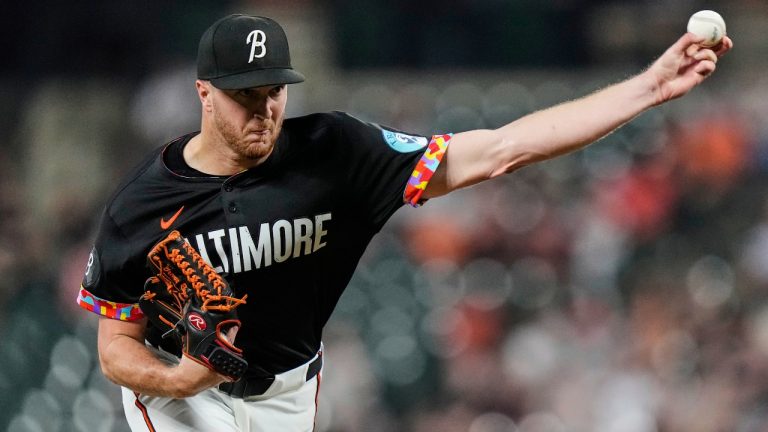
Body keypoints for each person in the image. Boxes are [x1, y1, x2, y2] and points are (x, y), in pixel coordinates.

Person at [75, 12, 732, 432]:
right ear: (203, 93)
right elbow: (114, 347)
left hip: (288, 394)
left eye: (272, 91)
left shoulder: (336, 153)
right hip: (184, 395)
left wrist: (649, 88)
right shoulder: (144, 203)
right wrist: (176, 380)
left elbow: (503, 149)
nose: (263, 110)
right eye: (243, 95)